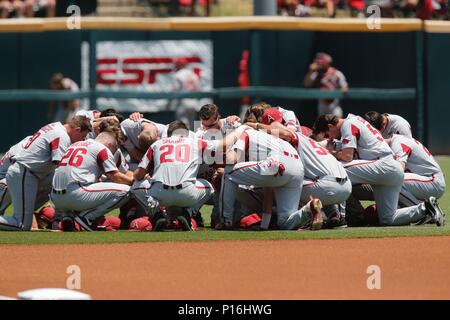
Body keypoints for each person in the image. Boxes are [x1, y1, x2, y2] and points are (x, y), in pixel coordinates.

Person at [312, 113, 445, 227]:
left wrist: (332, 153)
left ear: (330, 126)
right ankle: (425, 208)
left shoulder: (348, 123)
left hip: (384, 166)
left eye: (328, 135)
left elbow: (347, 156)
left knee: (337, 169)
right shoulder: (356, 120)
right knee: (388, 218)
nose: (330, 138)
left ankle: (339, 217)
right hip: (388, 171)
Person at [252, 108, 351, 228]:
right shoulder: (308, 140)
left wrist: (255, 125)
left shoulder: (286, 140)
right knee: (301, 179)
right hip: (345, 189)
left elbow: (270, 187)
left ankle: (307, 212)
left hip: (325, 187)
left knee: (281, 186)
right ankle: (334, 215)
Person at [132, 120, 235, 231]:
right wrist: (240, 130)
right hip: (187, 194)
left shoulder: (156, 144)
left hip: (160, 195)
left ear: (169, 133)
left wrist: (150, 176)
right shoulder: (196, 142)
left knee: (135, 186)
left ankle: (158, 215)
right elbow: (223, 144)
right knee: (209, 187)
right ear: (185, 133)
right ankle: (188, 213)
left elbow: (137, 175)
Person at [217, 126, 323, 231]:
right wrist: (264, 225)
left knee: (228, 172)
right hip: (297, 169)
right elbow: (269, 188)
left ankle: (226, 220)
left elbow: (232, 158)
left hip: (276, 162)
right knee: (285, 222)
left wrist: (217, 155)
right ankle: (309, 209)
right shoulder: (277, 139)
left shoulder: (247, 133)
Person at [0, 116, 91, 231]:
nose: (82, 140)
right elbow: (61, 166)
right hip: (24, 173)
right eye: (82, 137)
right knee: (21, 225)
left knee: (53, 183)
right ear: (77, 129)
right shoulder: (62, 135)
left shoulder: (56, 126)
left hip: (28, 174)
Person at [51, 130, 133, 232]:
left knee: (93, 184)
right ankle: (86, 218)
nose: (115, 151)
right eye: (115, 148)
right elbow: (115, 176)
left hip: (56, 198)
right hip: (75, 194)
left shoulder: (75, 144)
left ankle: (69, 216)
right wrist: (134, 181)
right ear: (109, 144)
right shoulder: (102, 148)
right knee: (127, 191)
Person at [389, 134, 446, 208]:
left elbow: (398, 170)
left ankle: (426, 212)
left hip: (432, 181)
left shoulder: (397, 141)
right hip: (427, 180)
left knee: (395, 180)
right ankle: (423, 209)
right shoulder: (397, 139)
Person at [304, 52, 348, 117]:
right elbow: (307, 84)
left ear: (327, 62)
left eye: (321, 61)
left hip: (334, 104)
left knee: (337, 122)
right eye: (318, 61)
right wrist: (311, 71)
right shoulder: (316, 74)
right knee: (322, 124)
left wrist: (338, 91)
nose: (319, 63)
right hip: (321, 103)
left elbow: (344, 87)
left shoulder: (337, 73)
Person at [172, 57, 201, 130]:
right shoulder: (193, 74)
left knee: (182, 125)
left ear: (179, 65)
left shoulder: (178, 74)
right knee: (193, 125)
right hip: (193, 102)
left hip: (183, 103)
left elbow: (175, 90)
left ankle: (185, 140)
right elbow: (198, 89)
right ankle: (194, 140)